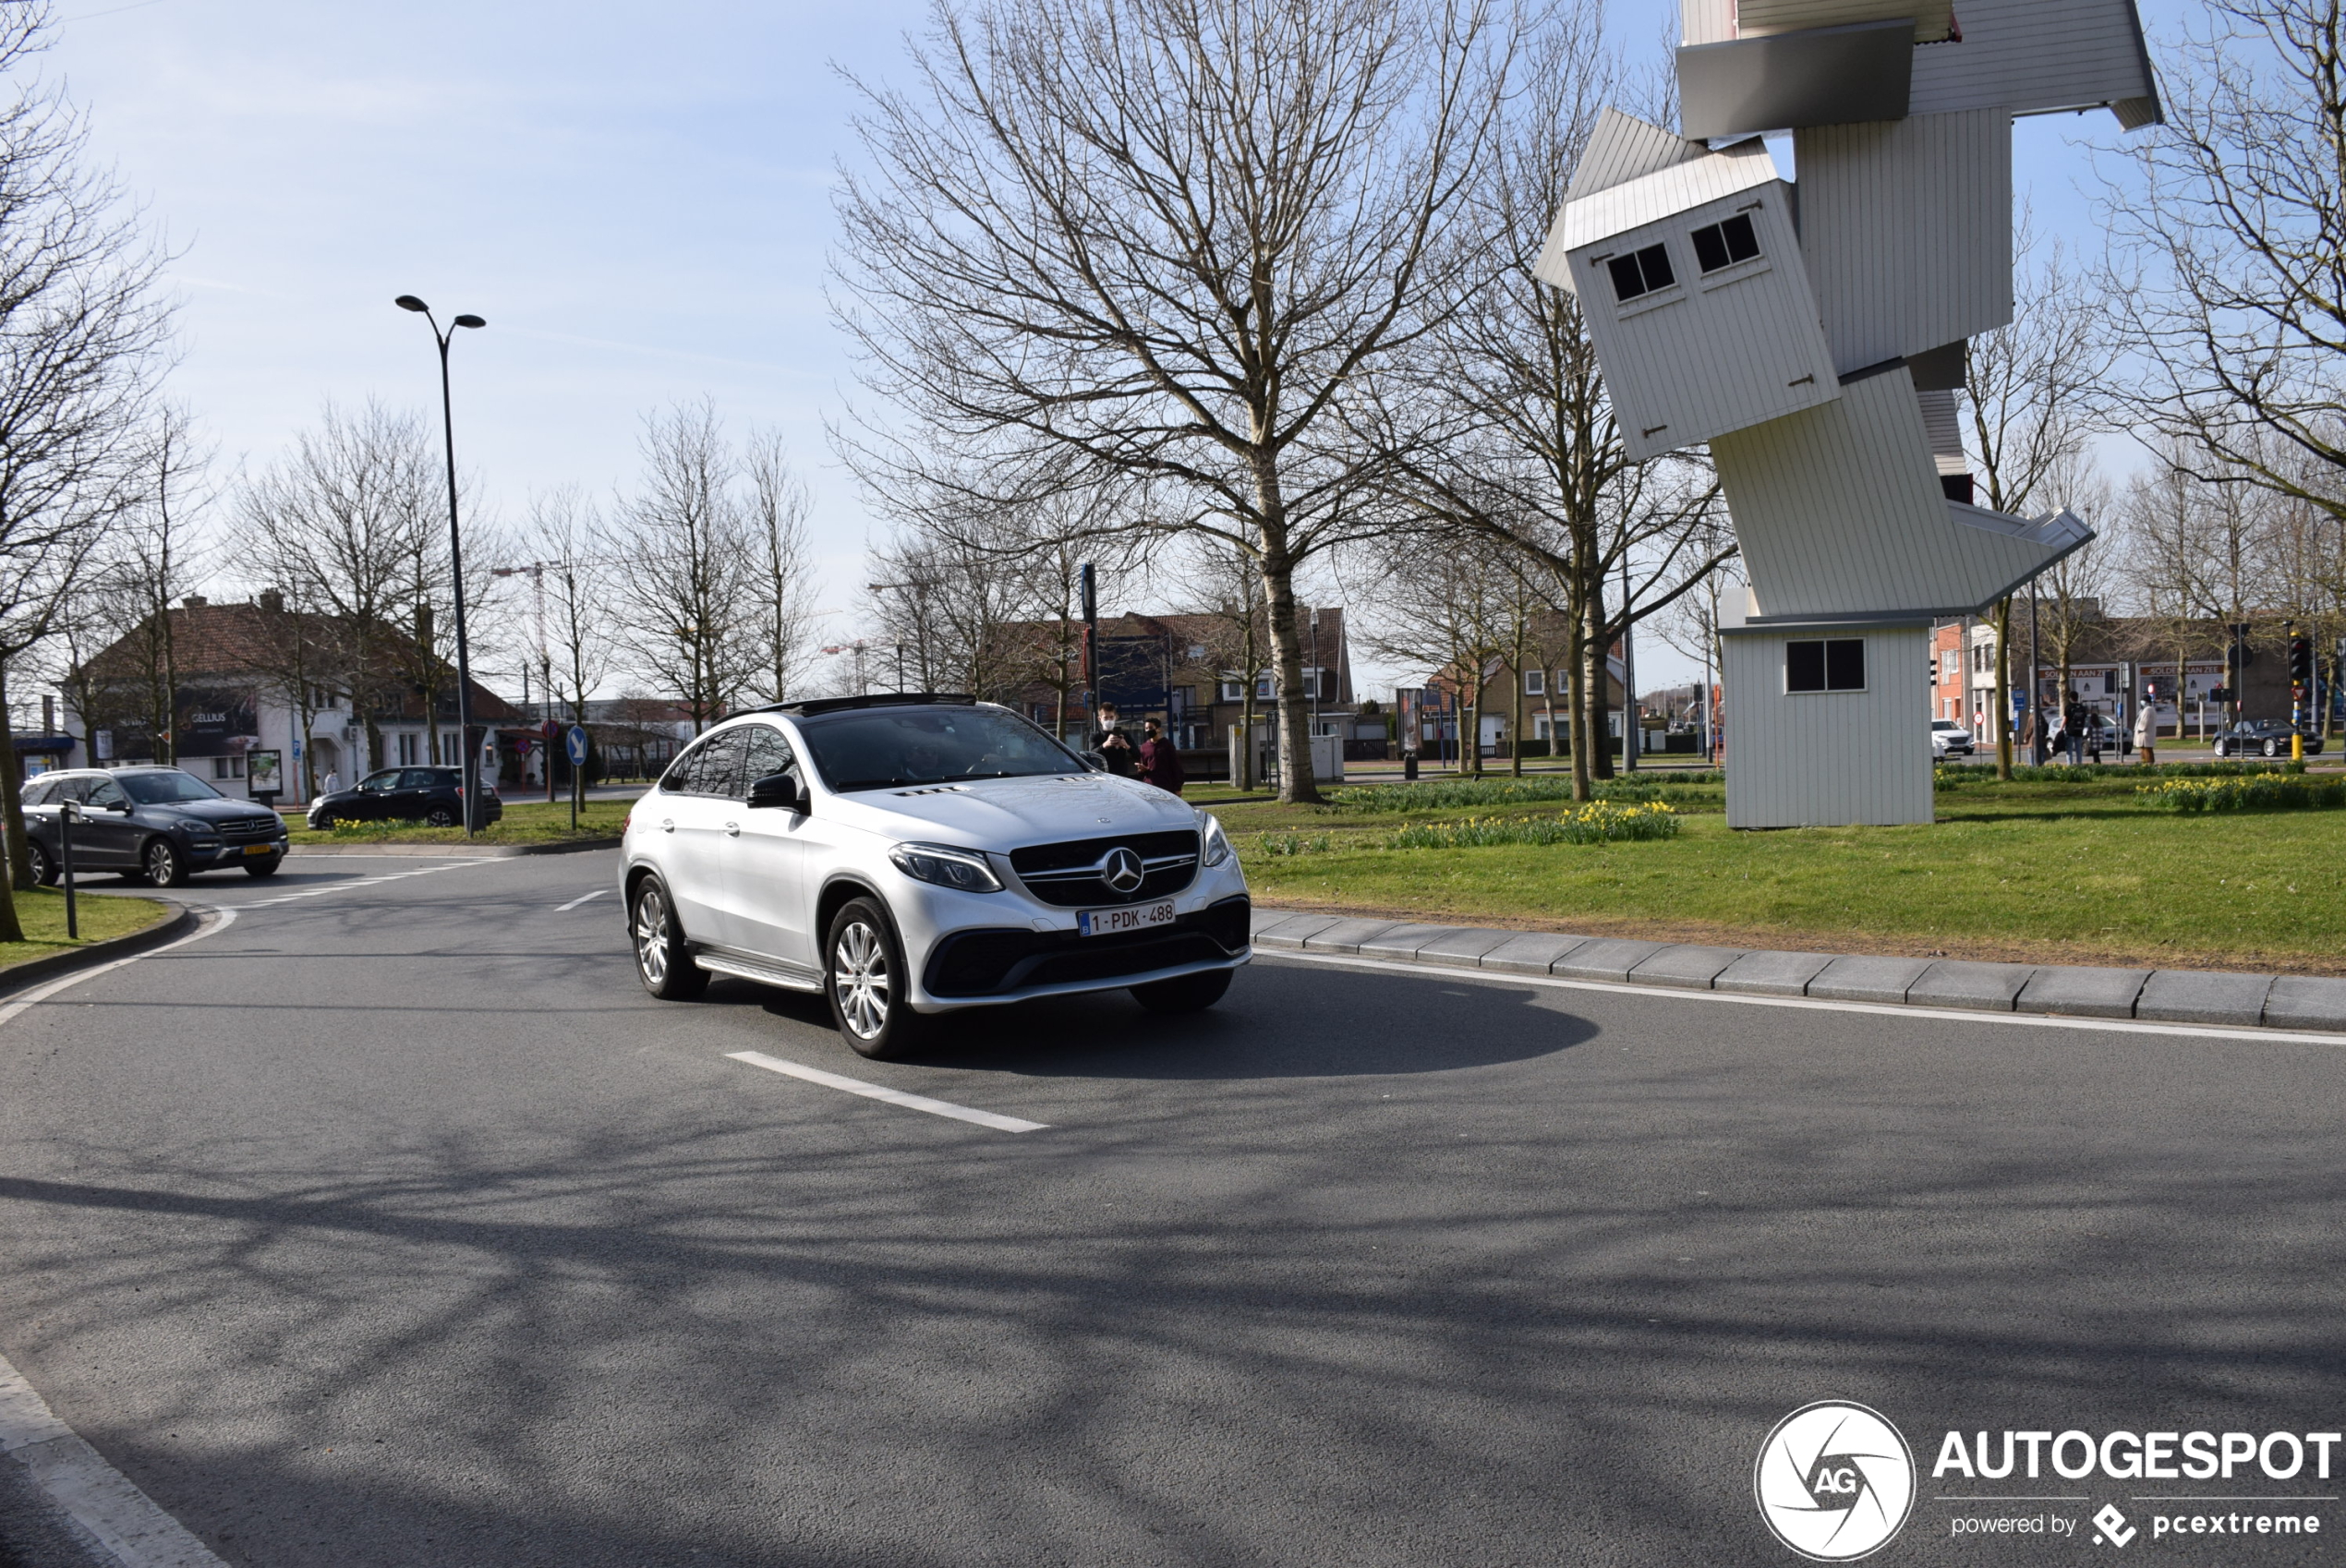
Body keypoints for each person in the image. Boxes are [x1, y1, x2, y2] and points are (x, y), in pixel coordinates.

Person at [1137, 718, 1185, 795]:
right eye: (1146, 728)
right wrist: (1141, 770)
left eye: (1151, 728)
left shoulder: (1167, 745)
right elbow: (1144, 767)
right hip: (1149, 786)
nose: (1148, 730)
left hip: (1165, 786)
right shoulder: (1144, 747)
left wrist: (1178, 787)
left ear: (1158, 729)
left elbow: (1176, 767)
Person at [1094, 703, 1137, 777]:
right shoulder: (1095, 736)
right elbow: (1091, 754)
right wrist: (1106, 744)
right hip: (1103, 775)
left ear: (1115, 717)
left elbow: (1137, 754)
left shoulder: (1125, 734)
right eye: (1106, 718)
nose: (1109, 720)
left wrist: (1126, 746)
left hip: (1121, 776)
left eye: (1111, 717)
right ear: (1099, 719)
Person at [2134, 701, 2157, 766]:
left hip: (2144, 733)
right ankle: (2145, 763)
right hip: (2145, 733)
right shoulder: (2147, 710)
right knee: (2143, 749)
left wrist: (2140, 729)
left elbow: (2144, 721)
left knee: (2147, 749)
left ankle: (2149, 764)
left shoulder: (2148, 710)